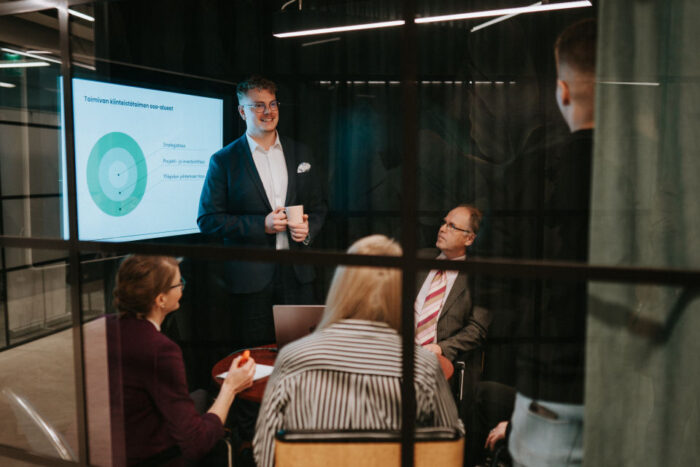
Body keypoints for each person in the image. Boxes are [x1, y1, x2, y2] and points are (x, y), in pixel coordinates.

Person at [487, 18, 597, 466]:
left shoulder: (530, 172)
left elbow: (492, 284)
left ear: (563, 90)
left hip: (549, 393)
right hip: (644, 390)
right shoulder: (660, 170)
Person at [252, 235, 464, 467]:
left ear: (341, 286)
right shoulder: (423, 366)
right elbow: (449, 451)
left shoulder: (292, 358)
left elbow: (265, 454)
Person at [197, 75, 327, 350]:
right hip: (251, 280)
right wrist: (262, 225)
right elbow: (208, 220)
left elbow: (319, 208)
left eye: (272, 104)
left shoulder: (301, 152)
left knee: (302, 351)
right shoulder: (224, 160)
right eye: (258, 105)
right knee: (257, 356)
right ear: (242, 111)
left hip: (298, 276)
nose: (268, 111)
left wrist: (308, 230)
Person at [113, 255, 256, 466]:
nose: (182, 288)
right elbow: (196, 443)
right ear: (161, 299)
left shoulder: (105, 328)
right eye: (179, 283)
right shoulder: (160, 350)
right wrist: (230, 388)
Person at [414, 204, 491, 362]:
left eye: (452, 226)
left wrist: (442, 348)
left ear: (469, 239)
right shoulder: (418, 259)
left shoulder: (479, 277)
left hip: (446, 362)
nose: (442, 229)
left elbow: (477, 329)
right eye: (444, 223)